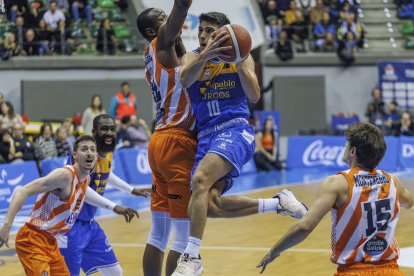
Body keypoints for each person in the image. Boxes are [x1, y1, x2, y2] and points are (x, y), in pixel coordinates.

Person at [172, 12, 308, 275]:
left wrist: (236, 62)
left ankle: (191, 256)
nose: (202, 35)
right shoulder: (191, 56)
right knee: (206, 205)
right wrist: (207, 54)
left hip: (234, 128)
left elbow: (255, 95)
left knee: (200, 180)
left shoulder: (242, 57)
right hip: (206, 136)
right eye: (200, 30)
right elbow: (185, 79)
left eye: (210, 30)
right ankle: (277, 203)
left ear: (224, 33)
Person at [257, 122, 414, 275]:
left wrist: (274, 251)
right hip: (390, 270)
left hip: (353, 270)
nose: (344, 148)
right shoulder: (393, 181)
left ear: (352, 151)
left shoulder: (337, 183)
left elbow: (305, 226)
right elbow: (409, 202)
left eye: (346, 145)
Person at [0, 135, 139, 275]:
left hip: (51, 241)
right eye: (84, 149)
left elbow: (89, 195)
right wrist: (6, 227)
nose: (89, 153)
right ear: (75, 155)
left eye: (92, 149)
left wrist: (114, 207)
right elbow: (21, 191)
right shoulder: (64, 176)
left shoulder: (85, 179)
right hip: (33, 238)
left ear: (96, 156)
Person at [137, 2, 198, 274]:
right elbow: (182, 7)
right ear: (153, 30)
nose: (169, 20)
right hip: (177, 140)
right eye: (163, 19)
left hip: (159, 140)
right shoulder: (161, 41)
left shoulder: (156, 54)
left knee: (158, 234)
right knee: (184, 237)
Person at [59, 114, 150, 276]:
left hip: (89, 225)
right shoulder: (83, 156)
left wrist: (130, 189)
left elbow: (107, 173)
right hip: (69, 227)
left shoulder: (107, 153)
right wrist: (114, 207)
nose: (109, 133)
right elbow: (82, 189)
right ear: (94, 132)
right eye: (104, 129)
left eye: (112, 129)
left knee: (115, 272)